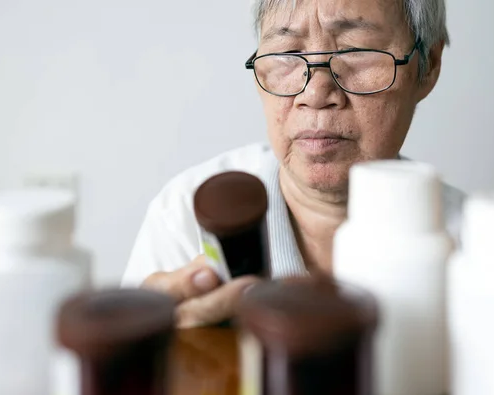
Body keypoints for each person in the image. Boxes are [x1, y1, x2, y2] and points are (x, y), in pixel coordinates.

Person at [122, 0, 464, 328]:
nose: (315, 94)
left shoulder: (476, 247)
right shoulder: (188, 216)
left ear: (427, 66)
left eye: (354, 51)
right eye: (287, 54)